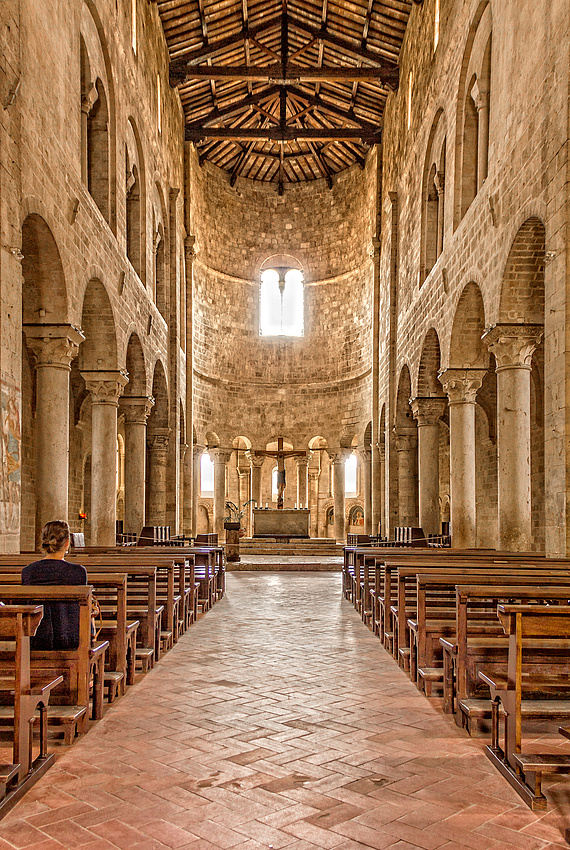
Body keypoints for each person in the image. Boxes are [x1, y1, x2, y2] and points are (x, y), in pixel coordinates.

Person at [22, 520, 87, 650]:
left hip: (36, 639)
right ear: (67, 543)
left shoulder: (28, 571)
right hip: (69, 638)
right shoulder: (78, 572)